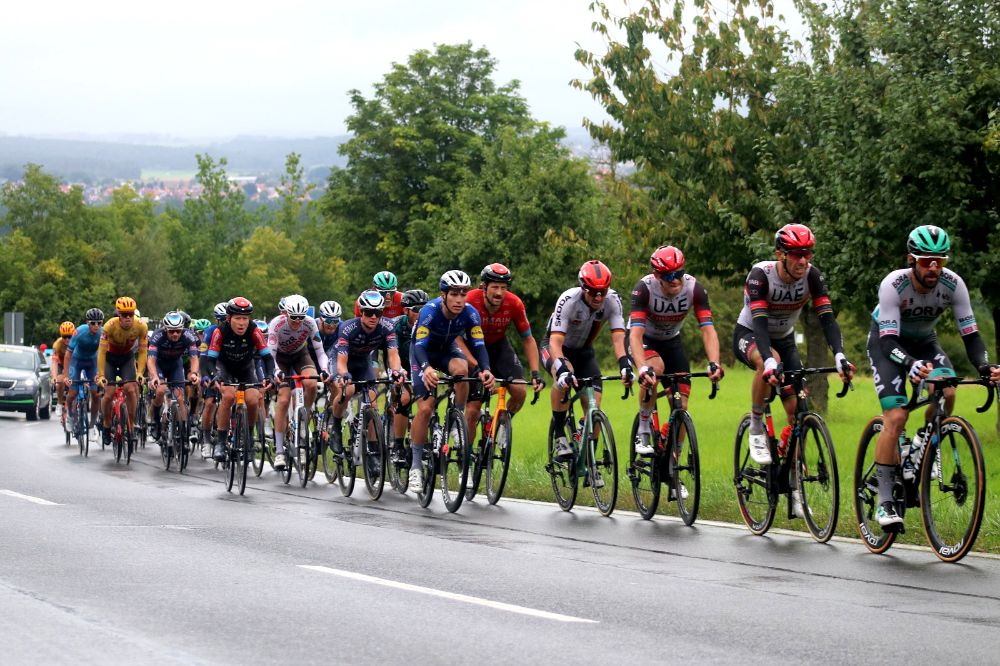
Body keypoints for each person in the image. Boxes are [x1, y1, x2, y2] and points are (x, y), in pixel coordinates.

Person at [867, 225, 1000, 527]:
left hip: (926, 342)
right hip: (888, 341)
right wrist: (911, 364)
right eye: (926, 260)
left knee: (948, 391)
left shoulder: (953, 285)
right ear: (911, 259)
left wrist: (984, 366)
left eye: (940, 260)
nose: (934, 267)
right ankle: (885, 501)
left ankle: (922, 441)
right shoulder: (894, 284)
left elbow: (971, 335)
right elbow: (888, 342)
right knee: (897, 416)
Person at [733, 224, 854, 516]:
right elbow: (760, 321)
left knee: (797, 411)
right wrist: (769, 360)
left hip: (785, 339)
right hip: (751, 334)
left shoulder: (812, 276)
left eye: (808, 253)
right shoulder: (761, 275)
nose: (803, 260)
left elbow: (827, 318)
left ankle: (796, 487)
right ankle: (757, 424)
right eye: (797, 254)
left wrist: (839, 354)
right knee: (767, 360)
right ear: (780, 254)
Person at [542, 260, 632, 482]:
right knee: (562, 378)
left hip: (584, 352)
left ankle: (590, 461)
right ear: (583, 287)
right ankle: (560, 434)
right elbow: (555, 342)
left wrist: (624, 364)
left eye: (602, 291)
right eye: (593, 292)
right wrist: (562, 369)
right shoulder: (569, 300)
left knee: (594, 406)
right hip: (556, 347)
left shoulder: (612, 300)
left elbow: (619, 337)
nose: (598, 297)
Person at [629, 246, 724, 455]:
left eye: (679, 273)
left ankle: (673, 464)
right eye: (668, 275)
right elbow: (634, 335)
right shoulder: (644, 289)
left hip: (672, 342)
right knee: (655, 368)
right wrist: (642, 368)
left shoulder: (694, 289)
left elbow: (708, 330)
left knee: (681, 405)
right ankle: (644, 427)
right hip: (645, 340)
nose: (675, 279)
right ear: (657, 276)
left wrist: (714, 362)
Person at [408, 270, 495, 492]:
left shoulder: (470, 314)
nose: (459, 300)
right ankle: (416, 467)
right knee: (426, 409)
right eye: (454, 294)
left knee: (462, 368)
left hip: (446, 350)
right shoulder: (429, 311)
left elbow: (478, 346)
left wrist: (486, 370)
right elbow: (419, 346)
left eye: (463, 294)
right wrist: (426, 369)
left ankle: (456, 418)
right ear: (443, 294)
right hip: (423, 353)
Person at [464, 263, 544, 440]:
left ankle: (498, 425)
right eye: (494, 287)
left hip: (498, 346)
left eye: (503, 287)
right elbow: (456, 336)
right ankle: (466, 459)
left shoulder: (514, 303)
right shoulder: (470, 300)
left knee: (520, 391)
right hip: (472, 348)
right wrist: (474, 365)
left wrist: (535, 372)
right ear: (484, 287)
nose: (499, 293)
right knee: (473, 409)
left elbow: (528, 339)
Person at [329, 291, 406, 453]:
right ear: (361, 312)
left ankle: (373, 449)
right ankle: (335, 425)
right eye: (369, 313)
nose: (373, 317)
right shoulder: (348, 328)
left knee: (373, 402)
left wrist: (396, 371)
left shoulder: (387, 326)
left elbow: (393, 354)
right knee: (348, 390)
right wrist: (343, 375)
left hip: (363, 362)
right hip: (342, 361)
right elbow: (342, 362)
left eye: (378, 313)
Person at [202, 297, 274, 461]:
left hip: (245, 368)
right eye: (237, 318)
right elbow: (210, 361)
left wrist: (269, 376)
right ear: (229, 318)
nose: (242, 323)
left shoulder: (254, 330)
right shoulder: (220, 332)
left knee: (254, 399)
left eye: (245, 319)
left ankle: (247, 438)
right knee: (227, 396)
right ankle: (220, 442)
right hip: (224, 367)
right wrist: (215, 377)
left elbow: (268, 358)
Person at [267, 294, 329, 470]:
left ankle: (303, 418)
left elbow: (320, 351)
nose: (297, 321)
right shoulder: (276, 324)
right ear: (286, 313)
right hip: (279, 358)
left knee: (311, 383)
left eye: (300, 318)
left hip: (300, 355)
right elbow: (270, 355)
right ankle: (279, 451)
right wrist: (277, 371)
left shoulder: (310, 323)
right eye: (293, 317)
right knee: (284, 399)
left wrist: (325, 369)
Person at [96, 297, 149, 447]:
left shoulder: (141, 326)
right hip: (110, 359)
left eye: (130, 314)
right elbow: (101, 352)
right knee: (109, 392)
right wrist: (101, 375)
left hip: (126, 358)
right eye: (124, 315)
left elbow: (143, 351)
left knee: (131, 389)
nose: (127, 318)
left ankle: (130, 424)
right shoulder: (109, 326)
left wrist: (139, 373)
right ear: (118, 314)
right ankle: (106, 424)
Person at [145, 311, 200, 440]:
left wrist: (194, 373)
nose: (175, 334)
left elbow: (194, 358)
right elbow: (151, 360)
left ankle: (184, 430)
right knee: (161, 390)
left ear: (182, 329)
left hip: (175, 365)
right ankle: (155, 421)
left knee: (180, 397)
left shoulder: (188, 336)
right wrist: (154, 377)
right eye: (171, 331)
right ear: (165, 329)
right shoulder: (157, 336)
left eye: (178, 331)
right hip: (159, 364)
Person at [388, 289, 427, 461]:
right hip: (399, 365)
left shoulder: (428, 324)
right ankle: (397, 445)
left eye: (424, 309)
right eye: (417, 309)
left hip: (419, 367)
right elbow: (392, 351)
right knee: (404, 399)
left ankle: (423, 442)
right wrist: (398, 371)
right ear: (406, 310)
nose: (422, 313)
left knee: (427, 402)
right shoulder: (396, 325)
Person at [63, 309, 104, 429]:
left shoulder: (103, 333)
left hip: (92, 361)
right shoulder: (79, 331)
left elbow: (105, 354)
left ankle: (92, 425)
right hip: (77, 361)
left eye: (99, 323)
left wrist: (100, 373)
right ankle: (69, 416)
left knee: (96, 395)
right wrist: (66, 376)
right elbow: (68, 354)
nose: (96, 326)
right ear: (87, 322)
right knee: (73, 392)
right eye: (93, 323)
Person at [50, 321, 76, 422]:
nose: (67, 339)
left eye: (69, 336)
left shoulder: (77, 342)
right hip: (61, 364)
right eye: (64, 337)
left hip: (74, 364)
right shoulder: (57, 344)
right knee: (59, 382)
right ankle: (60, 403)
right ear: (61, 336)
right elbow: (54, 362)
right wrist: (54, 377)